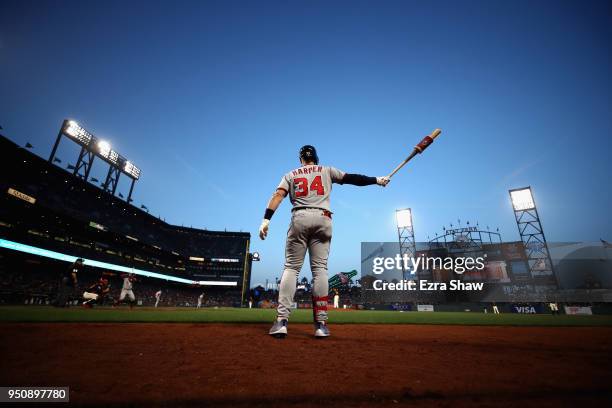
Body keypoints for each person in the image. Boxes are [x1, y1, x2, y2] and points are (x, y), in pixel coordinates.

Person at [260, 145, 389, 338]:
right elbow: (352, 178)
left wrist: (266, 219)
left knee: (291, 268)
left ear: (301, 159)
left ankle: (281, 322)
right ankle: (320, 325)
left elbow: (278, 195)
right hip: (324, 218)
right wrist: (376, 180)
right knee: (320, 270)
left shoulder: (291, 174)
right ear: (316, 158)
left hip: (300, 217)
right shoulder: (326, 170)